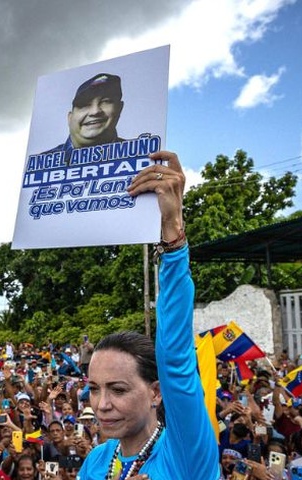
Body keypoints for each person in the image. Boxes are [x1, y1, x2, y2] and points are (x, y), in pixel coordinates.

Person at [76, 151, 220, 479]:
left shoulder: (185, 454)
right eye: (94, 388)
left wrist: (172, 233)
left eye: (119, 389)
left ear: (156, 392)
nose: (101, 405)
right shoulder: (96, 461)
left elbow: (175, 359)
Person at [38, 73, 125, 163]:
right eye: (84, 105)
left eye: (105, 101)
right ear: (70, 118)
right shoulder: (42, 164)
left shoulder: (138, 156)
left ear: (120, 108)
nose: (95, 111)